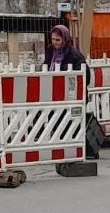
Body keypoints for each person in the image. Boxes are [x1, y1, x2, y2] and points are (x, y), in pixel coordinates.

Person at [42, 25, 98, 161]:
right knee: (55, 121)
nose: (54, 42)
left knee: (71, 123)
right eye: (53, 39)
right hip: (54, 95)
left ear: (65, 39)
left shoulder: (75, 56)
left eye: (58, 40)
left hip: (72, 96)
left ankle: (76, 150)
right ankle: (63, 148)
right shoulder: (50, 52)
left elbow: (86, 77)